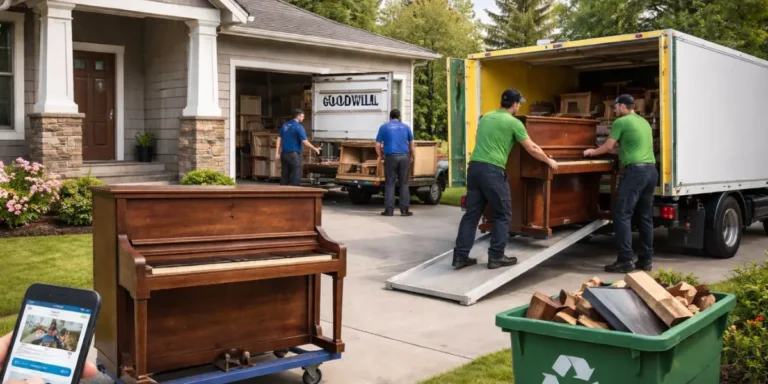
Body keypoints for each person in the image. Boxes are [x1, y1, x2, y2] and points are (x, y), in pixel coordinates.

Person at [452, 89, 558, 270]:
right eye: (519, 103)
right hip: (492, 171)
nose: (519, 106)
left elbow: (478, 139)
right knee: (503, 214)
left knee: (471, 215)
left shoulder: (485, 118)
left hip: (475, 168)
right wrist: (549, 161)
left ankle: (460, 257)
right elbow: (531, 148)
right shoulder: (514, 123)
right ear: (515, 104)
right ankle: (496, 257)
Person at [584, 94, 658, 273]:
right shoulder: (643, 122)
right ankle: (646, 260)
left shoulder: (621, 122)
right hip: (650, 171)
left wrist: (591, 152)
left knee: (622, 215)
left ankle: (625, 260)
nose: (613, 110)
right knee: (645, 217)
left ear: (624, 106)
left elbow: (608, 146)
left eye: (615, 107)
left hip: (635, 172)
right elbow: (633, 146)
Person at [0, 331, 98, 384]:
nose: (51, 332)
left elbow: (60, 346)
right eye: (50, 331)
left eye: (53, 331)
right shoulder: (44, 336)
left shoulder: (57, 340)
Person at [375, 109, 415, 217]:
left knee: (390, 183)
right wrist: (411, 156)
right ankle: (405, 211)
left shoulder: (384, 127)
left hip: (390, 157)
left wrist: (381, 156)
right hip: (404, 157)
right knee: (404, 184)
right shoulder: (406, 127)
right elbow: (412, 144)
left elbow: (377, 145)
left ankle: (389, 210)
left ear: (390, 117)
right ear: (399, 117)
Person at [275, 109, 321, 186]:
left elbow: (279, 138)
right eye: (302, 116)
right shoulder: (299, 127)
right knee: (296, 175)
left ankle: (282, 194)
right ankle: (295, 194)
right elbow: (305, 142)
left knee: (285, 175)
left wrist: (277, 153)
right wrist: (315, 148)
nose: (303, 118)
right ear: (298, 116)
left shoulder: (285, 125)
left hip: (284, 155)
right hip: (294, 155)